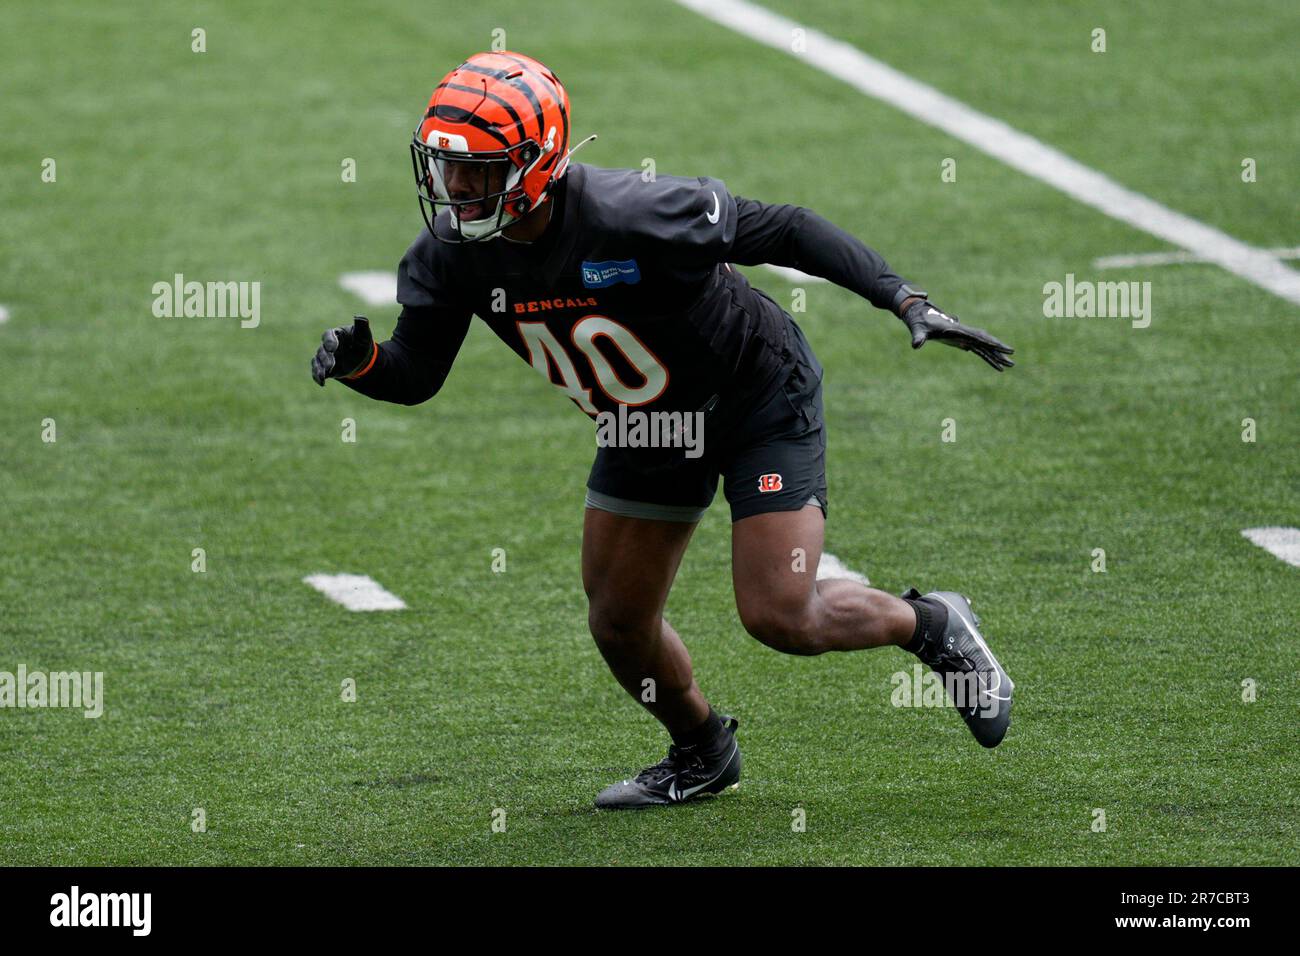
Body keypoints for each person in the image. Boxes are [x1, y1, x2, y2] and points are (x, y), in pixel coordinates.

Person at [311, 51, 1017, 809]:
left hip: (753, 394)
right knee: (618, 620)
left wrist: (904, 299)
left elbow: (784, 229)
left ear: (540, 162)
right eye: (449, 168)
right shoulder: (450, 255)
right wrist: (363, 365)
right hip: (645, 428)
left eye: (480, 171)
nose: (455, 189)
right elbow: (416, 371)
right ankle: (703, 752)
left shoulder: (630, 214)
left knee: (781, 613)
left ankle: (931, 622)